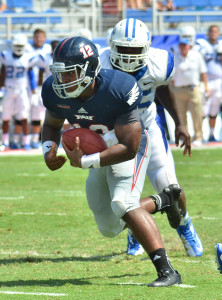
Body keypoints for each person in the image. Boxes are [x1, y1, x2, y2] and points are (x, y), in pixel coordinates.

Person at [41, 35, 182, 287]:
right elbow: (51, 123)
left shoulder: (119, 87)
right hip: (99, 153)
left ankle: (167, 271)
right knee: (109, 227)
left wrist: (84, 162)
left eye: (71, 73)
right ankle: (163, 200)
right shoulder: (54, 90)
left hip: (129, 146)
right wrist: (48, 150)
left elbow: (129, 147)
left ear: (90, 69)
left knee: (123, 203)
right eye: (60, 73)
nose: (63, 80)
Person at [100, 18, 203, 257]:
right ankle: (136, 230)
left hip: (148, 126)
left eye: (133, 50)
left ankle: (184, 223)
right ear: (111, 46)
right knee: (123, 199)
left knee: (171, 188)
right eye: (123, 49)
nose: (127, 56)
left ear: (146, 48)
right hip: (117, 134)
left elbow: (163, 88)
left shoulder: (159, 63)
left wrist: (180, 123)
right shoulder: (99, 63)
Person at [0, 33, 37, 151]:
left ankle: (26, 142)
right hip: (9, 89)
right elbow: (3, 73)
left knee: (24, 116)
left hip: (22, 90)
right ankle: (5, 143)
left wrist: (34, 91)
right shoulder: (6, 56)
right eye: (17, 45)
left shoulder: (28, 57)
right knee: (5, 117)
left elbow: (31, 76)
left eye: (21, 45)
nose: (19, 47)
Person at [172, 37, 208, 147]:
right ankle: (185, 137)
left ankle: (198, 137)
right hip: (178, 89)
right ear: (179, 47)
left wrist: (206, 87)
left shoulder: (196, 56)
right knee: (181, 115)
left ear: (189, 46)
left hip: (194, 88)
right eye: (181, 45)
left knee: (196, 113)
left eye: (185, 45)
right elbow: (171, 76)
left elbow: (203, 73)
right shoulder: (175, 58)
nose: (183, 47)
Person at [26, 28, 52, 149]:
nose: (38, 39)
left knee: (44, 113)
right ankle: (28, 139)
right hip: (27, 85)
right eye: (36, 37)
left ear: (45, 38)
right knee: (28, 113)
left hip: (44, 86)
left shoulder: (48, 49)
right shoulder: (27, 49)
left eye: (41, 36)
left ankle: (41, 138)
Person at [195, 25, 222, 142]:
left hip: (219, 81)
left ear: (219, 33)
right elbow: (196, 58)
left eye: (215, 32)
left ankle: (211, 134)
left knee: (214, 110)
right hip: (206, 81)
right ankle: (200, 134)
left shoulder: (220, 45)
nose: (213, 34)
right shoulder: (202, 45)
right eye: (211, 31)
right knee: (204, 109)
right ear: (207, 33)